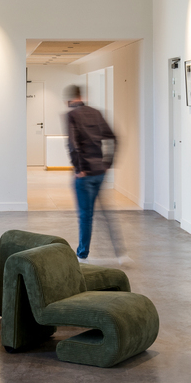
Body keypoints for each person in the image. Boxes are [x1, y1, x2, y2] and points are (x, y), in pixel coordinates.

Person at [64, 84, 115, 259]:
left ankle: (82, 252)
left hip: (85, 174)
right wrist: (107, 162)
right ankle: (118, 251)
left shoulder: (72, 115)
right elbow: (113, 137)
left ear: (70, 99)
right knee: (101, 212)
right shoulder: (96, 113)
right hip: (99, 172)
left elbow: (72, 144)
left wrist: (79, 169)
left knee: (86, 215)